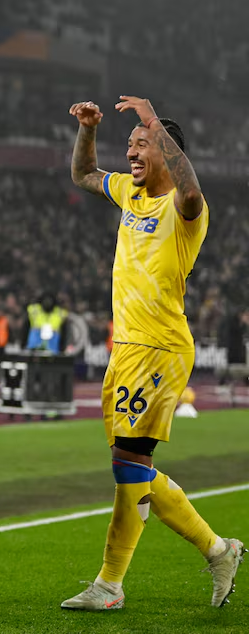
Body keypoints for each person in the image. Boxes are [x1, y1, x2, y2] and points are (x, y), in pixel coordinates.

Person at [61, 97, 244, 611]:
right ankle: (217, 550)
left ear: (167, 151)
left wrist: (153, 122)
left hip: (160, 348)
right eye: (132, 144)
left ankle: (111, 584)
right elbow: (83, 174)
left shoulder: (186, 210)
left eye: (142, 145)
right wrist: (89, 130)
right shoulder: (129, 193)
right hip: (127, 348)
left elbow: (191, 189)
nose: (132, 152)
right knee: (128, 466)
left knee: (130, 463)